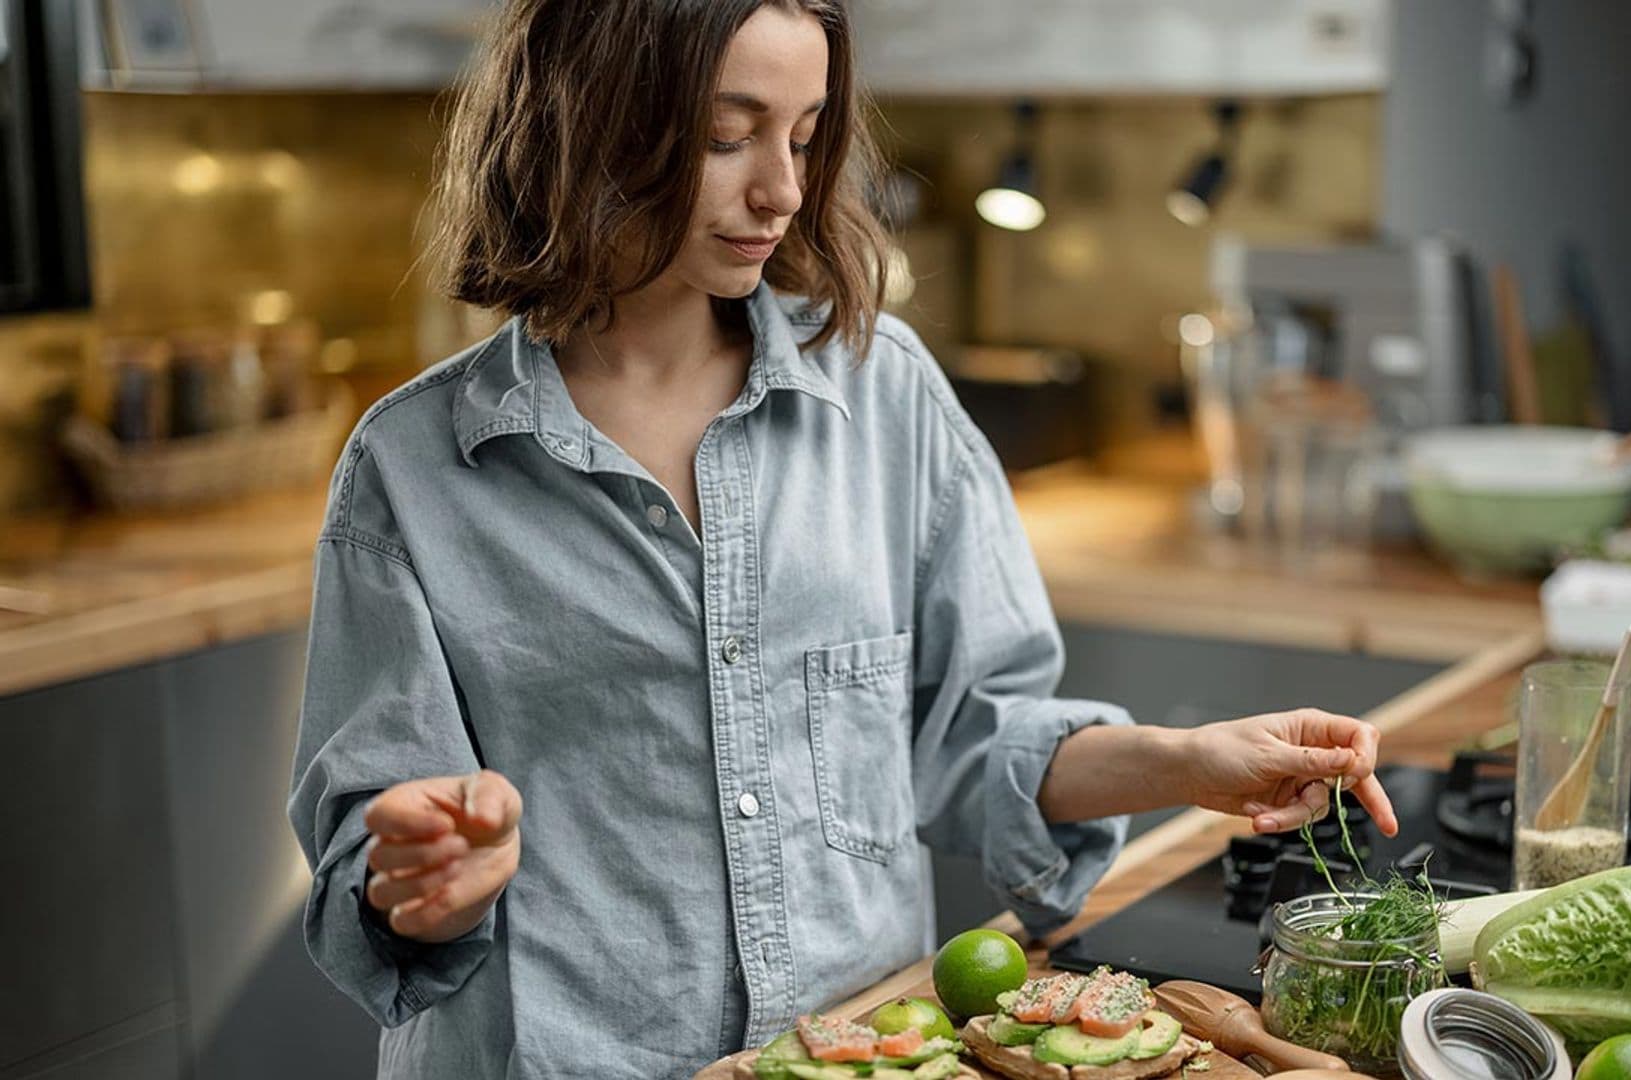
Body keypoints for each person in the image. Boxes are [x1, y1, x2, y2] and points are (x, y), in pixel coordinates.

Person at [286, 1, 1397, 1076]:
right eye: (727, 137)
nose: (781, 188)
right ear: (595, 121)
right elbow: (368, 870)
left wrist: (1186, 762)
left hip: (862, 1058)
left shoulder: (884, 392)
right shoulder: (415, 468)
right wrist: (425, 883)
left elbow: (974, 738)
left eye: (806, 138)